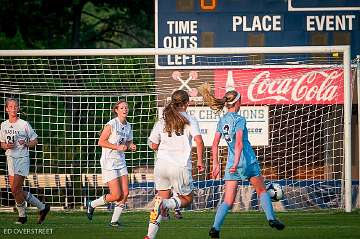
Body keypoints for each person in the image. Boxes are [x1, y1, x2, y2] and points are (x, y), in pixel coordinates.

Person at [198, 84, 285, 239]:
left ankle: (215, 228)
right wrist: (238, 160)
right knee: (262, 191)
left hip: (231, 164)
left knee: (228, 200)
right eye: (241, 101)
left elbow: (214, 144)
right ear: (237, 103)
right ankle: (271, 219)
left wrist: (216, 164)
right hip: (246, 161)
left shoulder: (222, 120)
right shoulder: (239, 119)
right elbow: (239, 143)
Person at [144, 90, 204, 239]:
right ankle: (164, 205)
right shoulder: (189, 119)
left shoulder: (163, 119)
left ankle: (149, 236)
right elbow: (199, 141)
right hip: (179, 166)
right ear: (186, 103)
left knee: (161, 200)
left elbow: (153, 144)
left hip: (161, 166)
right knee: (186, 199)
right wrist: (200, 160)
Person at [86, 100, 136, 227]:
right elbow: (101, 142)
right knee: (116, 195)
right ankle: (92, 204)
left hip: (121, 161)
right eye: (122, 108)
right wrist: (117, 147)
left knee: (125, 193)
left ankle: (114, 221)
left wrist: (131, 146)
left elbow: (128, 142)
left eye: (126, 107)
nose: (125, 109)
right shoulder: (111, 124)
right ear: (116, 110)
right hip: (109, 162)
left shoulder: (128, 126)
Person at [0, 98, 50, 224]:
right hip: (10, 159)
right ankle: (43, 207)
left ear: (18, 109)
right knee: (15, 190)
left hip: (22, 159)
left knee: (16, 188)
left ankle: (22, 217)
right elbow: (2, 143)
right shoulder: (3, 125)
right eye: (10, 107)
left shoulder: (24, 124)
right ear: (6, 109)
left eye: (15, 107)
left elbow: (35, 141)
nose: (13, 109)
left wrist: (26, 143)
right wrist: (6, 146)